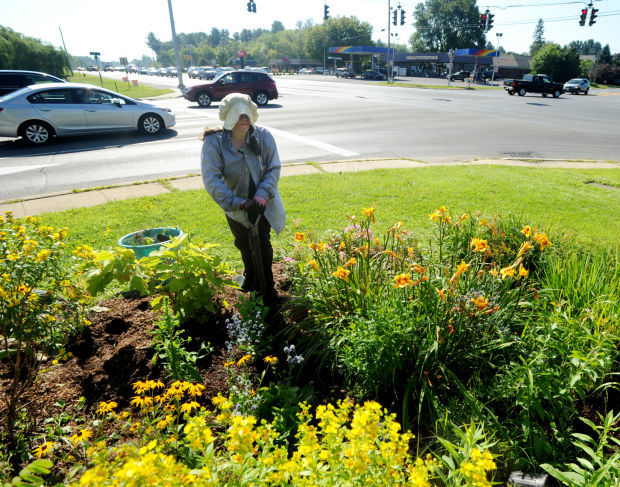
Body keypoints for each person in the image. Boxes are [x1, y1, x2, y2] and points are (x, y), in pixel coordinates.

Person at [200, 93, 285, 302]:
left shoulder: (264, 136)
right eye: (238, 115)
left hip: (262, 203)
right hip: (235, 206)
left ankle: (268, 289)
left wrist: (262, 195)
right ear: (228, 116)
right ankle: (252, 279)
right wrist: (237, 203)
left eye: (246, 114)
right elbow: (212, 179)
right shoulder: (214, 142)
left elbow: (273, 167)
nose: (243, 118)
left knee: (263, 243)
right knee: (244, 242)